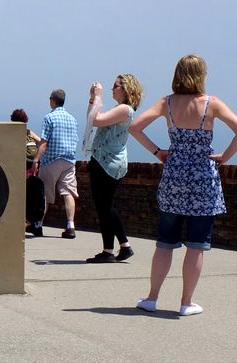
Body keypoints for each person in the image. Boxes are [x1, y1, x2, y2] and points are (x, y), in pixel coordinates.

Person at [128, 55, 237, 316]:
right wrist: (225, 157)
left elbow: (135, 127)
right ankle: (186, 303)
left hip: (174, 177)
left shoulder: (166, 103)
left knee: (165, 242)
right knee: (196, 244)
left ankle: (151, 297)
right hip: (203, 180)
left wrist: (158, 152)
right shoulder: (211, 104)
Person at [83, 75, 143, 263]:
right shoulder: (120, 109)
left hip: (108, 162)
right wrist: (93, 99)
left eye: (115, 86)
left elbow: (96, 120)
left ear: (125, 89)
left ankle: (109, 251)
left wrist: (98, 97)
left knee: (104, 207)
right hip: (103, 160)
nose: (112, 89)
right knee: (105, 206)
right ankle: (123, 246)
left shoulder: (125, 109)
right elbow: (91, 117)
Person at [33, 89, 80, 238]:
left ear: (53, 100)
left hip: (51, 160)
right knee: (68, 193)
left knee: (44, 194)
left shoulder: (49, 118)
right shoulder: (73, 119)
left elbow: (44, 142)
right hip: (68, 161)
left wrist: (36, 159)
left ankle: (38, 225)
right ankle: (70, 226)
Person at [11, 108, 45, 237]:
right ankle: (34, 224)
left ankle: (23, 222)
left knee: (21, 198)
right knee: (32, 197)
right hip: (31, 170)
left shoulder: (12, 133)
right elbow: (41, 142)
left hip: (20, 170)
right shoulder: (29, 132)